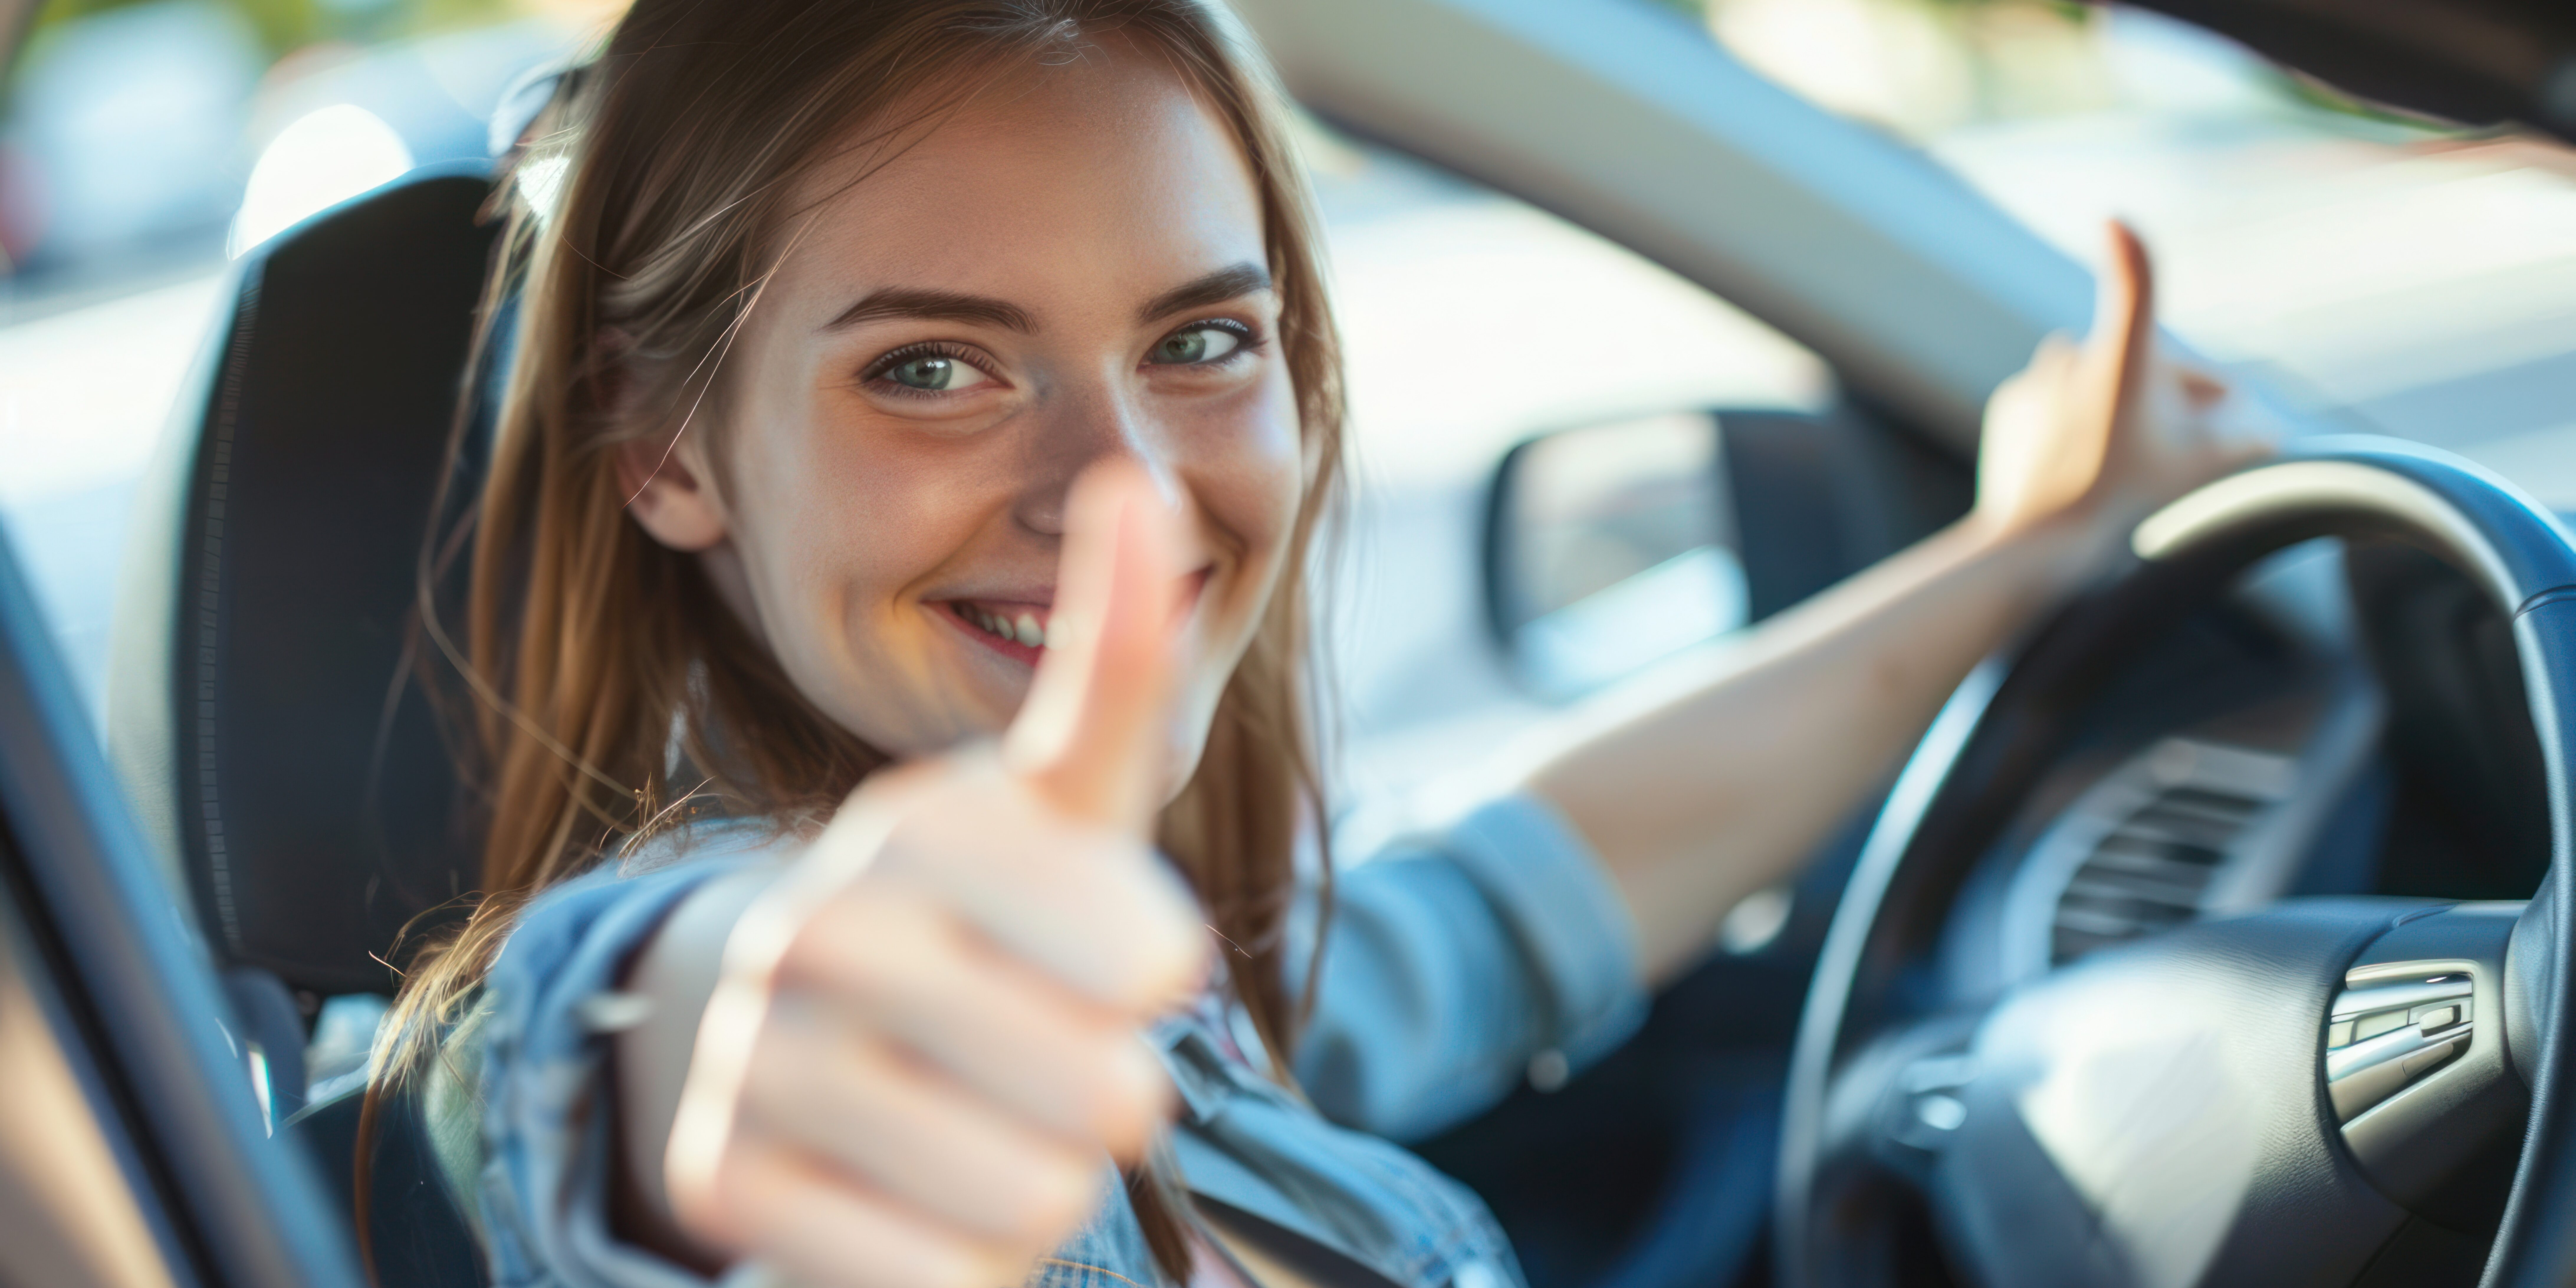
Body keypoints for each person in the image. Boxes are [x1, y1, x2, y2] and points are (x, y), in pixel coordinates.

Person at [370, 2, 2259, 1287]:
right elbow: (640, 1052)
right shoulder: (651, 999)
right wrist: (761, 1037)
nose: (1128, 487)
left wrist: (2029, 548)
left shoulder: (1169, 997)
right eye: (933, 370)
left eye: (1201, 342)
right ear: (664, 450)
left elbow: (1522, 891)